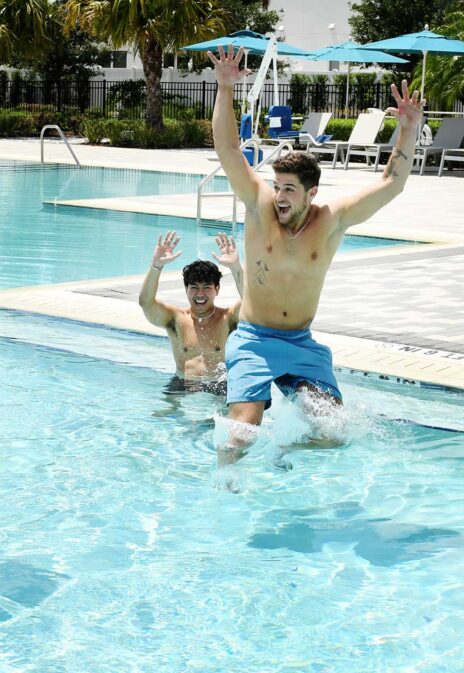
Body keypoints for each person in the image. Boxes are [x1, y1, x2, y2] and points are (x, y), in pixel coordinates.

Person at [208, 45, 424, 465]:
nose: (280, 196)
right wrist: (224, 88)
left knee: (334, 433)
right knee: (241, 432)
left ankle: (283, 448)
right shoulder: (259, 205)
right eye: (278, 185)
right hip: (253, 339)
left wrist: (408, 130)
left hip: (301, 343)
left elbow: (391, 185)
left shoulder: (332, 221)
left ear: (311, 193)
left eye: (290, 189)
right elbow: (229, 150)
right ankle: (225, 487)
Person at [138, 232, 244, 394]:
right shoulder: (175, 318)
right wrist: (156, 266)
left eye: (207, 288)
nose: (200, 295)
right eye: (194, 287)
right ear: (186, 289)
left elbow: (252, 303)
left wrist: (236, 267)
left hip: (220, 386)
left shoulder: (228, 318)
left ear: (217, 289)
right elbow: (146, 302)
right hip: (181, 383)